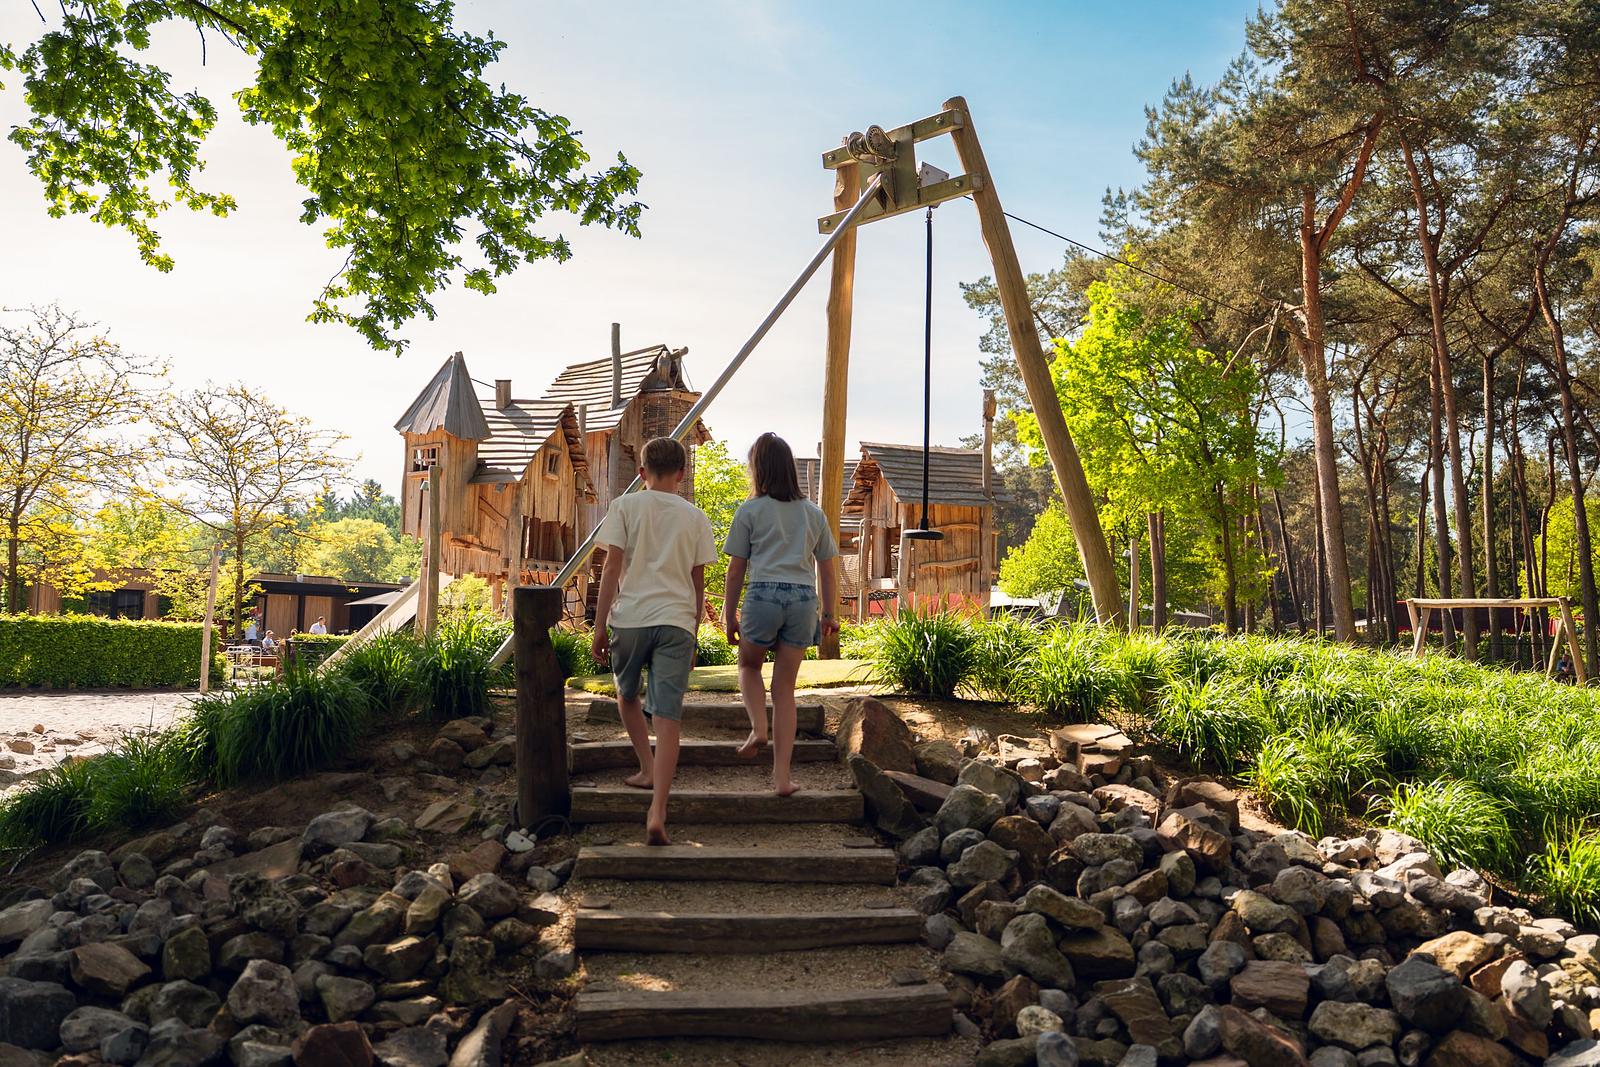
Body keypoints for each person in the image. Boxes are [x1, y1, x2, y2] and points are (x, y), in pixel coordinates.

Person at [591, 437, 717, 846]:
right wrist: (693, 633)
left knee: (626, 695)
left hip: (630, 619)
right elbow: (697, 582)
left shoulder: (624, 507)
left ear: (642, 472)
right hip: (677, 622)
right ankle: (658, 810)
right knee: (668, 717)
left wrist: (598, 625)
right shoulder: (695, 517)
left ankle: (645, 767)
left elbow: (612, 568)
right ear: (682, 473)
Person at [722, 432, 839, 796]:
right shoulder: (813, 513)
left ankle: (759, 727)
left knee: (748, 666)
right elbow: (827, 570)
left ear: (758, 469)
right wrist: (829, 613)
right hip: (803, 599)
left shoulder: (749, 511)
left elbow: (735, 570)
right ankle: (783, 779)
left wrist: (729, 614)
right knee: (785, 689)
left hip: (763, 594)